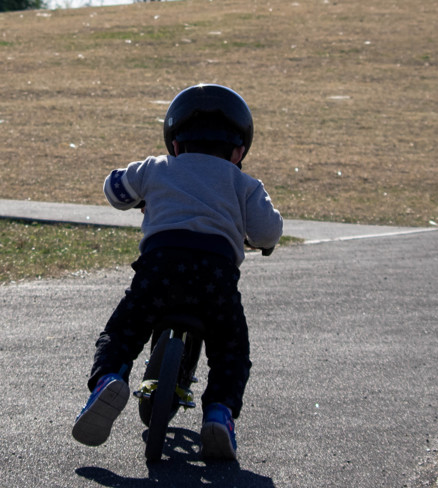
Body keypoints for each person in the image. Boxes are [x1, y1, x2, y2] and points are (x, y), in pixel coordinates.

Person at [72, 83, 283, 460]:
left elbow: (114, 189)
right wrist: (262, 241)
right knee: (231, 348)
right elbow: (268, 231)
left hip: (160, 270)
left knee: (124, 329)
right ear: (239, 151)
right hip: (215, 277)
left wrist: (139, 194)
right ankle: (219, 413)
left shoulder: (156, 167)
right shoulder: (245, 184)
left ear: (174, 143)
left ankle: (107, 380)